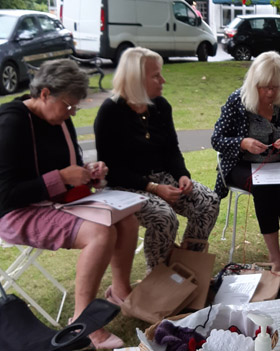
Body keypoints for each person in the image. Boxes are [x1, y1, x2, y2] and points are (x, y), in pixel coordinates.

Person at [0, 59, 139, 349]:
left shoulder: (60, 118)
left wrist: (90, 172)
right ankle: (83, 323)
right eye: (68, 105)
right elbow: (6, 194)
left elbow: (69, 166)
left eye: (76, 107)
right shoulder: (12, 122)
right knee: (101, 233)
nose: (71, 112)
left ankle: (122, 293)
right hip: (16, 212)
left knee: (127, 219)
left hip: (59, 202)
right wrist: (60, 177)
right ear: (45, 93)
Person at [94, 47, 219, 270]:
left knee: (207, 202)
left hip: (161, 179)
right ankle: (160, 277)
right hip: (125, 186)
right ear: (136, 79)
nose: (163, 80)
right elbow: (112, 169)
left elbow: (172, 150)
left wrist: (182, 176)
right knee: (163, 216)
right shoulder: (110, 112)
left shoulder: (160, 106)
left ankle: (186, 267)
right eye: (155, 75)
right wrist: (153, 187)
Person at [211, 51, 280, 288]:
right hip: (244, 164)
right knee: (265, 187)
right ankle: (275, 258)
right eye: (264, 87)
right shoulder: (237, 101)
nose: (270, 93)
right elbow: (217, 139)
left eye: (275, 87)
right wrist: (242, 143)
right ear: (253, 83)